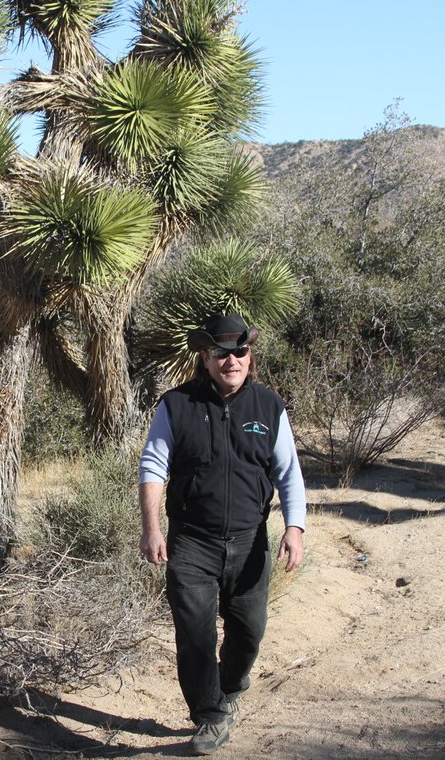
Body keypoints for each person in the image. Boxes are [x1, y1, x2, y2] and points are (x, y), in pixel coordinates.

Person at [138, 312, 306, 756]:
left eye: (239, 351)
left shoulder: (270, 407)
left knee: (249, 630)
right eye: (220, 352)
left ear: (249, 355)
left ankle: (231, 684)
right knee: (195, 634)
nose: (231, 360)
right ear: (205, 356)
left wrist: (294, 527)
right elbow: (153, 467)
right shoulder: (176, 405)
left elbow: (288, 474)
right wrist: (151, 528)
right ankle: (209, 716)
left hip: (250, 541)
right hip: (192, 540)